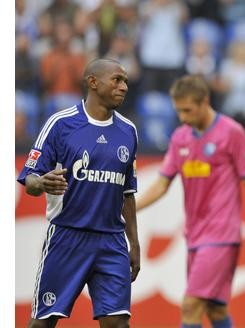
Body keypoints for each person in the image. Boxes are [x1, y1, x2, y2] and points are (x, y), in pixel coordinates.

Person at [17, 58, 141, 328]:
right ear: (93, 82)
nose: (123, 87)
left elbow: (127, 192)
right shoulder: (60, 124)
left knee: (118, 323)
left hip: (112, 241)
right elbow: (30, 179)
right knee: (42, 323)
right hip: (67, 236)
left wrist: (135, 244)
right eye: (117, 80)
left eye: (126, 82)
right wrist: (43, 183)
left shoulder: (128, 131)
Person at [136, 74, 245, 328]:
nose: (183, 117)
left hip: (222, 235)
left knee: (191, 305)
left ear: (205, 101)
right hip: (195, 234)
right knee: (216, 309)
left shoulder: (232, 133)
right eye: (178, 111)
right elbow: (162, 184)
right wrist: (126, 208)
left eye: (188, 110)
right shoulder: (180, 137)